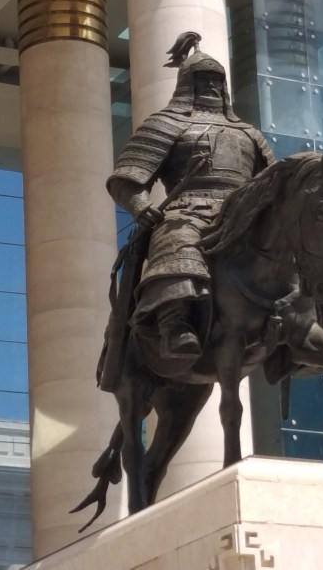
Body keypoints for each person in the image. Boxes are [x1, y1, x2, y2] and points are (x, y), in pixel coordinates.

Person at [107, 32, 275, 362]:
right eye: (203, 78)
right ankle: (175, 322)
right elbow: (126, 178)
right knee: (177, 240)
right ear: (187, 83)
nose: (211, 85)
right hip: (187, 211)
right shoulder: (166, 124)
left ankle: (316, 315)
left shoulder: (249, 133)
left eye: (216, 79)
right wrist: (140, 206)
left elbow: (274, 182)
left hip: (244, 214)